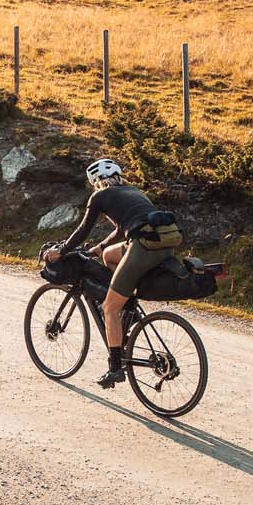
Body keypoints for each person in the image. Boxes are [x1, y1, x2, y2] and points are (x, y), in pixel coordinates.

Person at [42, 159, 182, 389]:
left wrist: (62, 250)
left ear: (96, 181)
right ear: (118, 175)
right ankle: (126, 302)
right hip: (164, 246)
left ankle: (115, 368)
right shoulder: (132, 190)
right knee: (109, 256)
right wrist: (99, 248)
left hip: (142, 248)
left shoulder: (100, 196)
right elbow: (121, 229)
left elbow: (83, 229)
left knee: (109, 308)